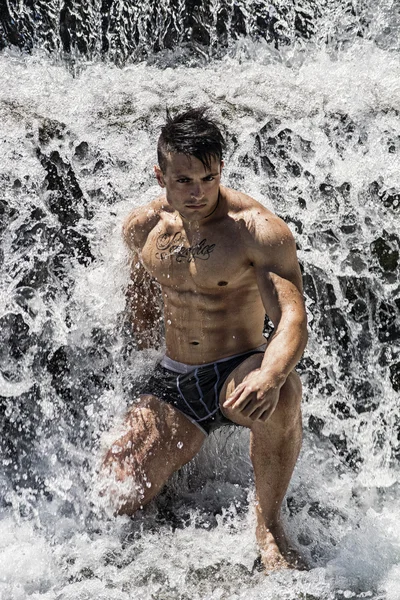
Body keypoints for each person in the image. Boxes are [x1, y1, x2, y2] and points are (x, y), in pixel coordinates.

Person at [101, 107, 308, 571]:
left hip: (238, 370)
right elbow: (141, 302)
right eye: (184, 181)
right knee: (116, 495)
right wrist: (141, 372)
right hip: (177, 379)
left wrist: (272, 374)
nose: (197, 192)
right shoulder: (143, 229)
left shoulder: (256, 230)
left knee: (283, 392)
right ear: (160, 175)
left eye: (208, 178)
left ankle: (270, 525)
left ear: (221, 171)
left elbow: (293, 318)